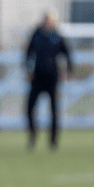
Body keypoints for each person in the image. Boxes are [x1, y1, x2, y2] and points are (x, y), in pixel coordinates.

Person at [25, 11, 73, 150]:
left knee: (54, 110)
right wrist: (28, 69)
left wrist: (69, 70)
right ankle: (33, 137)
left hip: (53, 77)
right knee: (30, 108)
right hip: (37, 76)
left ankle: (53, 141)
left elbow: (67, 54)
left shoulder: (57, 36)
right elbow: (28, 53)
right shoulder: (37, 34)